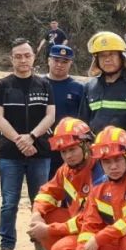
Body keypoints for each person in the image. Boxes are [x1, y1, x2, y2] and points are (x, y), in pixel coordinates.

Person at [0, 38, 56, 250]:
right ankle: (6, 247)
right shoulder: (2, 86)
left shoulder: (44, 85)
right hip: (10, 154)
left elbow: (50, 116)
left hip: (40, 153)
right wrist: (19, 140)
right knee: (9, 202)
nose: (23, 60)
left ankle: (40, 244)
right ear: (12, 59)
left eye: (27, 55)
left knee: (39, 202)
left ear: (33, 57)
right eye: (18, 56)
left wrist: (32, 137)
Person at [28, 117, 105, 250]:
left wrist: (49, 230)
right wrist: (36, 214)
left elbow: (90, 219)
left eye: (72, 150)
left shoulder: (101, 172)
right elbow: (46, 192)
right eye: (63, 152)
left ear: (86, 145)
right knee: (45, 214)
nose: (68, 156)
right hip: (79, 226)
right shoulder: (66, 170)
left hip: (98, 233)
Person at [79, 31, 126, 134]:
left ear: (122, 57)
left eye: (112, 54)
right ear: (96, 60)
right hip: (96, 148)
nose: (107, 59)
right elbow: (83, 122)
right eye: (102, 56)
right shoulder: (90, 87)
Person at [44, 43, 85, 178]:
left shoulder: (78, 88)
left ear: (70, 63)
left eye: (65, 61)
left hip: (69, 147)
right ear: (48, 60)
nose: (60, 64)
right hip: (43, 144)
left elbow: (83, 118)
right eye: (56, 60)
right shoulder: (38, 84)